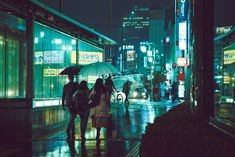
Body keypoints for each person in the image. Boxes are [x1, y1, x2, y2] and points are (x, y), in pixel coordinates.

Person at [62, 75, 79, 139]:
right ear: (73, 78)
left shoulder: (66, 86)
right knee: (72, 118)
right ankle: (69, 129)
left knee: (72, 117)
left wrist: (63, 104)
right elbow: (78, 93)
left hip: (68, 104)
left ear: (68, 78)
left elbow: (63, 96)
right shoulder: (76, 85)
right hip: (74, 104)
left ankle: (72, 130)